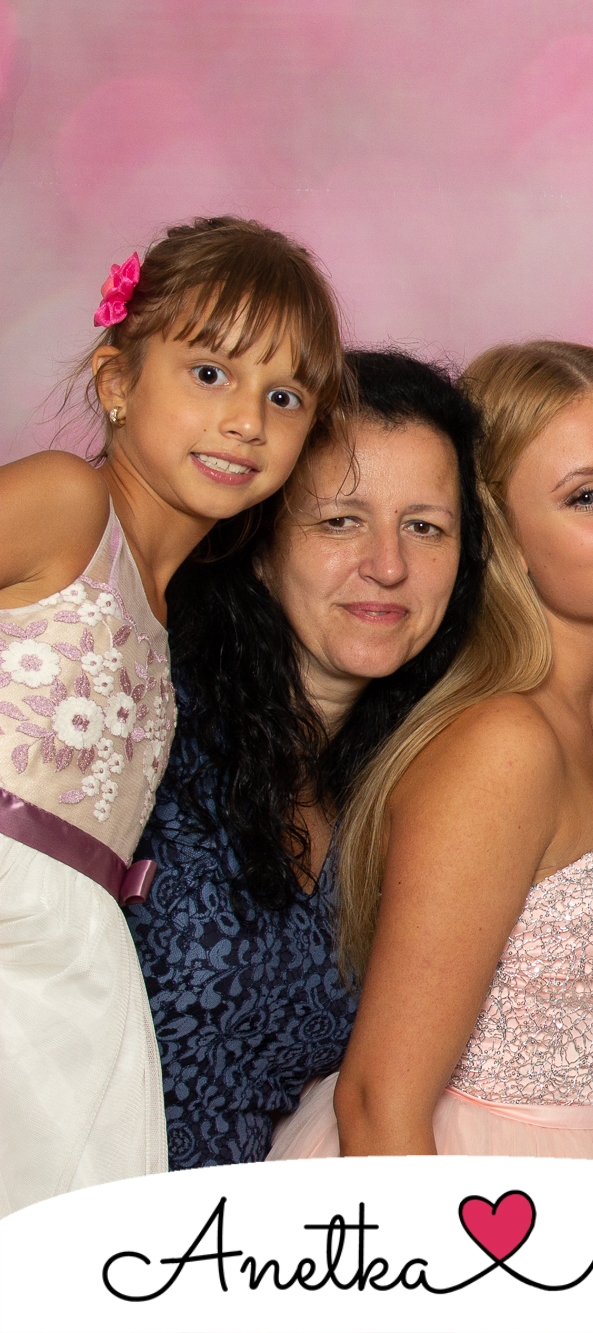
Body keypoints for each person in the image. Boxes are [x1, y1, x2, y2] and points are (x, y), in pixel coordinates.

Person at [267, 341, 593, 1161]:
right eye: (588, 495)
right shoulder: (503, 743)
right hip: (461, 1174)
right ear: (502, 536)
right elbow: (378, 1101)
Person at [0, 217, 344, 1216]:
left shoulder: (164, 615)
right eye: (209, 373)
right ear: (117, 380)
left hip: (75, 973)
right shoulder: (67, 503)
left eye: (283, 396)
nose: (246, 420)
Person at [126, 350, 484, 1169]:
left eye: (425, 527)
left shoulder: (414, 786)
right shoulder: (143, 711)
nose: (388, 565)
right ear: (260, 543)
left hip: (220, 1235)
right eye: (340, 520)